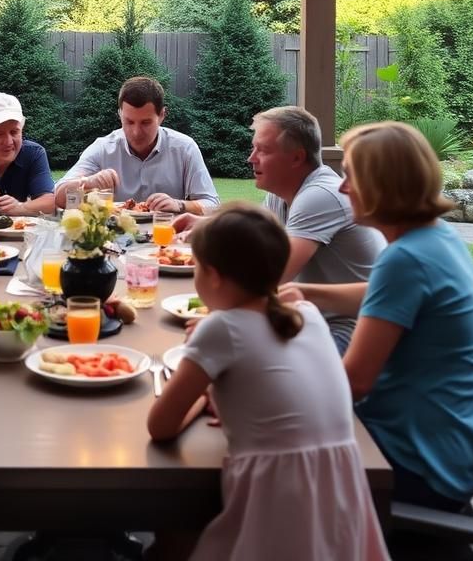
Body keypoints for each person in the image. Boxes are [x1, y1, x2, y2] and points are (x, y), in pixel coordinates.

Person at [147, 204, 389, 561]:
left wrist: (202, 391)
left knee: (170, 526)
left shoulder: (220, 329)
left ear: (212, 275)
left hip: (276, 507)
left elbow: (161, 426)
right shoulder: (306, 314)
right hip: (342, 501)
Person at [286, 122, 473, 518]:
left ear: (384, 185)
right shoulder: (436, 238)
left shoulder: (405, 259)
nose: (344, 190)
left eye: (353, 177)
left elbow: (353, 382)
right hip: (449, 446)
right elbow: (384, 297)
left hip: (417, 466)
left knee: (247, 461)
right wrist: (306, 293)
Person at [176, 106, 383, 352]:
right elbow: (252, 240)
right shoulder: (282, 191)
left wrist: (219, 324)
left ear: (296, 157)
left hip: (343, 331)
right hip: (299, 316)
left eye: (262, 150)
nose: (251, 158)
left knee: (220, 353)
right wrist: (205, 224)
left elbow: (269, 278)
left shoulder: (320, 196)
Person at [54, 76, 218, 215]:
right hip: (114, 240)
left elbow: (212, 204)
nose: (136, 132)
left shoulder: (184, 148)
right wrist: (87, 182)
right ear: (120, 115)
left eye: (146, 123)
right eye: (129, 122)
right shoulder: (103, 148)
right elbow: (59, 199)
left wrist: (179, 205)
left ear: (162, 115)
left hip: (167, 242)